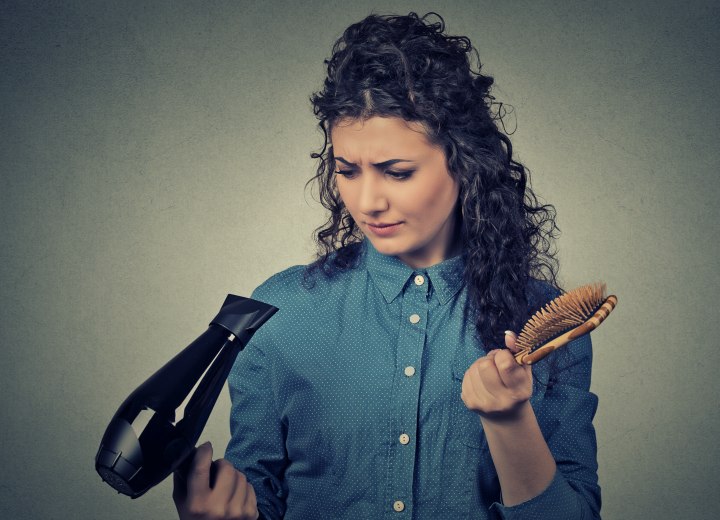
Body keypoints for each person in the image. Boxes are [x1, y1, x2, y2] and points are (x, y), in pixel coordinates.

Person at [172, 12, 601, 520]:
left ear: (465, 161)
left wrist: (509, 421)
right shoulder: (278, 314)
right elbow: (258, 498)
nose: (367, 201)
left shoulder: (544, 324)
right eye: (348, 171)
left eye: (397, 172)